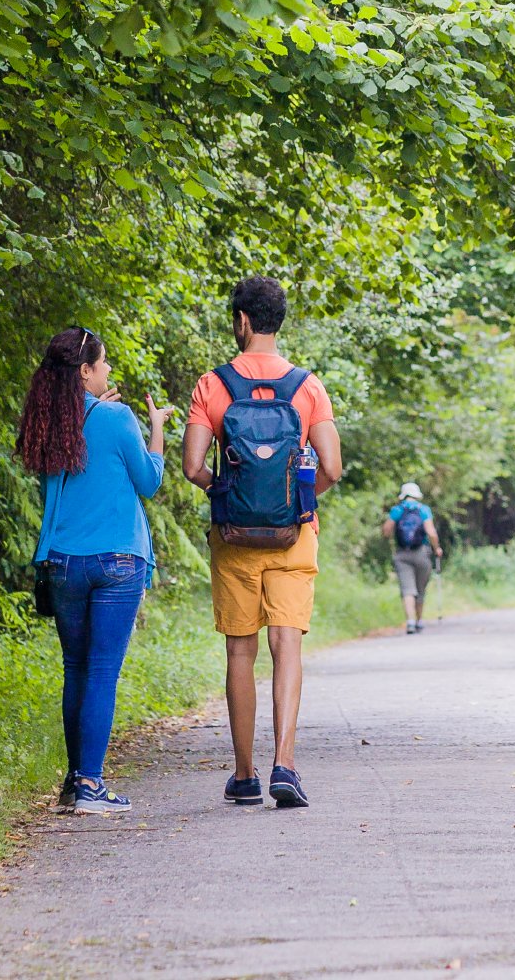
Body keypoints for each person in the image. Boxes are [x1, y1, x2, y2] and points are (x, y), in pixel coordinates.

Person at [182, 277, 342, 809]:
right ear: (277, 321)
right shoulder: (307, 386)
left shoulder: (213, 384)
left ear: (242, 321)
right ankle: (286, 765)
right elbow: (333, 468)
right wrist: (299, 502)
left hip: (234, 541)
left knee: (240, 650)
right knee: (287, 647)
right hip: (294, 538)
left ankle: (245, 774)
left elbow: (191, 467)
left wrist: (226, 493)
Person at [17, 326, 174, 814]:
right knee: (103, 671)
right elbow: (149, 481)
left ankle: (73, 783)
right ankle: (91, 784)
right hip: (117, 563)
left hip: (62, 563)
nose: (108, 370)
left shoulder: (47, 423)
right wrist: (156, 428)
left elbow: (65, 472)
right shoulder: (117, 418)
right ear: (85, 371)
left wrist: (94, 409)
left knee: (77, 669)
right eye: (102, 363)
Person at [382, 482, 444, 634]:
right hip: (422, 553)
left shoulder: (397, 510)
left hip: (402, 554)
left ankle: (410, 621)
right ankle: (419, 621)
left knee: (407, 589)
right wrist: (437, 548)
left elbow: (386, 530)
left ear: (403, 495)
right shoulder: (423, 510)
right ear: (417, 495)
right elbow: (431, 532)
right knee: (420, 589)